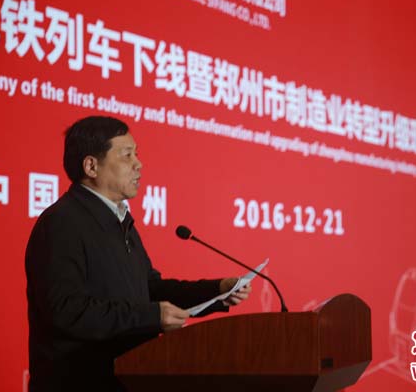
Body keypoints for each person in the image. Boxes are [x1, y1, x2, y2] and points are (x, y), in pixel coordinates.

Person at [25, 116, 251, 391]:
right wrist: (151, 316)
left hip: (127, 379)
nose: (138, 164)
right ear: (91, 166)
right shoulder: (62, 223)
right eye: (127, 155)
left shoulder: (120, 223)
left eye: (137, 154)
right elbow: (67, 310)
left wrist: (217, 291)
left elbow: (150, 290)